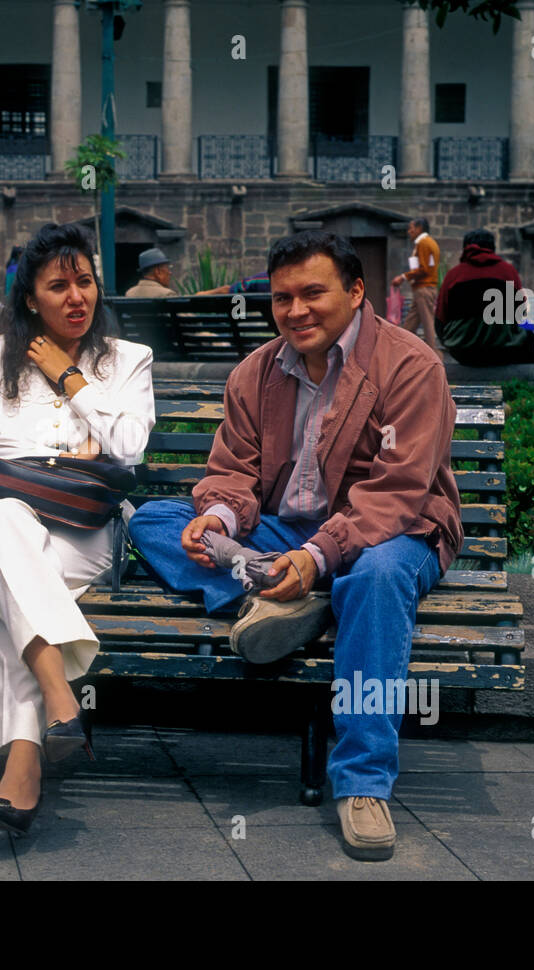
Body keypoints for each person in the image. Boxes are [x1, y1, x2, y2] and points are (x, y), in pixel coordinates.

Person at [128, 230, 462, 861]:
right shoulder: (258, 371)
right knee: (155, 520)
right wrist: (221, 522)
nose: (296, 311)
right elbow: (233, 470)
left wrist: (315, 560)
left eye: (314, 293)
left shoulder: (411, 366)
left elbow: (396, 494)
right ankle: (281, 597)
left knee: (371, 580)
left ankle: (364, 783)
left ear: (357, 291)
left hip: (395, 531)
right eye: (283, 298)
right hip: (285, 533)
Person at [0, 222, 155, 835]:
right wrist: (72, 451)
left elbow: (128, 446)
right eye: (58, 285)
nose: (76, 297)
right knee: (5, 524)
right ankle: (55, 707)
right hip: (4, 521)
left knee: (3, 594)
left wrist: (72, 381)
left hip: (83, 537)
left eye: (85, 282)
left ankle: (24, 755)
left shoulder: (127, 360)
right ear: (31, 298)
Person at [434, 229, 534, 367]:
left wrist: (449, 340)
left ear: (465, 247)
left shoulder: (454, 275)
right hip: (502, 350)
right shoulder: (508, 271)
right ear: (492, 248)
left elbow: (440, 318)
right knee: (530, 334)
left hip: (462, 351)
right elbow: (521, 312)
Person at [391, 217, 441, 355]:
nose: (409, 231)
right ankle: (398, 348)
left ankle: (435, 356)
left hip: (424, 289)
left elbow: (424, 269)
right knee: (410, 323)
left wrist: (403, 277)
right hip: (423, 288)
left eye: (411, 228)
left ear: (419, 228)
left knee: (427, 324)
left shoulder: (423, 243)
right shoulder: (430, 243)